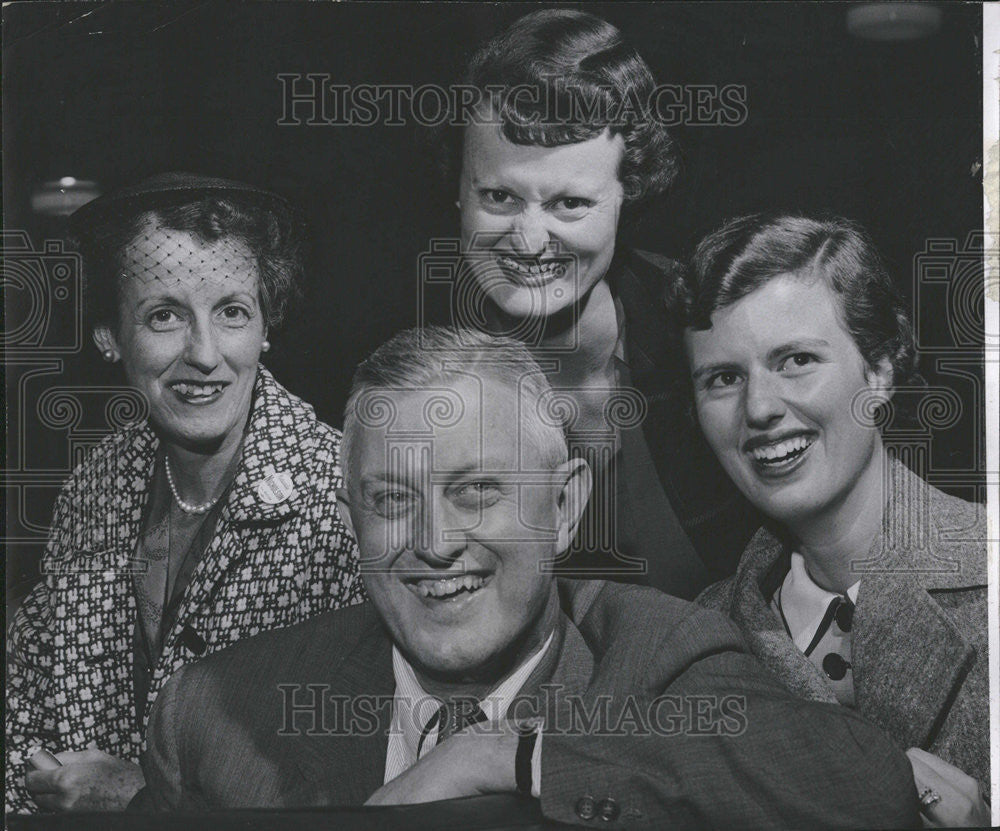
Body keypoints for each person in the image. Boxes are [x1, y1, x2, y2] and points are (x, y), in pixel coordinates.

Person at [134, 326, 919, 830]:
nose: (436, 543)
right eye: (391, 500)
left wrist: (504, 753)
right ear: (350, 518)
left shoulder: (656, 652)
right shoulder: (212, 712)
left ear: (566, 505)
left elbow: (858, 785)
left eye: (477, 490)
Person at [5, 172, 366, 814]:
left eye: (231, 312)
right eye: (164, 315)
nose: (204, 353)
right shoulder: (92, 490)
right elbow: (25, 716)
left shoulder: (346, 499)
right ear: (110, 336)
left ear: (265, 329)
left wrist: (144, 801)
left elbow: (348, 787)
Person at [434, 9, 758, 597]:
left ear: (626, 194)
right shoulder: (414, 371)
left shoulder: (707, 327)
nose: (529, 242)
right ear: (459, 191)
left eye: (570, 204)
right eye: (499, 196)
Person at [684, 215, 990, 828]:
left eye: (796, 359)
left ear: (878, 371)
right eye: (723, 378)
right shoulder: (696, 641)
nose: (761, 409)